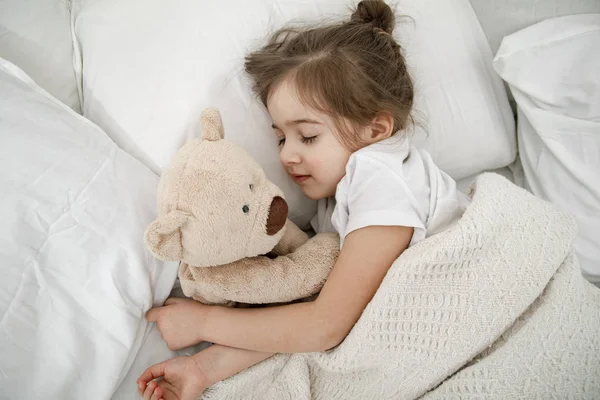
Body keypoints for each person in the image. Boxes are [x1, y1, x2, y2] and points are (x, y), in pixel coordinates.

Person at [137, 1, 469, 399]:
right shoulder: (338, 199)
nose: (285, 155)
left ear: (376, 128)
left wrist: (205, 322)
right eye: (280, 137)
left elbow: (325, 325)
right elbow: (313, 310)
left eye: (307, 136)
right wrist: (199, 369)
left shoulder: (382, 179)